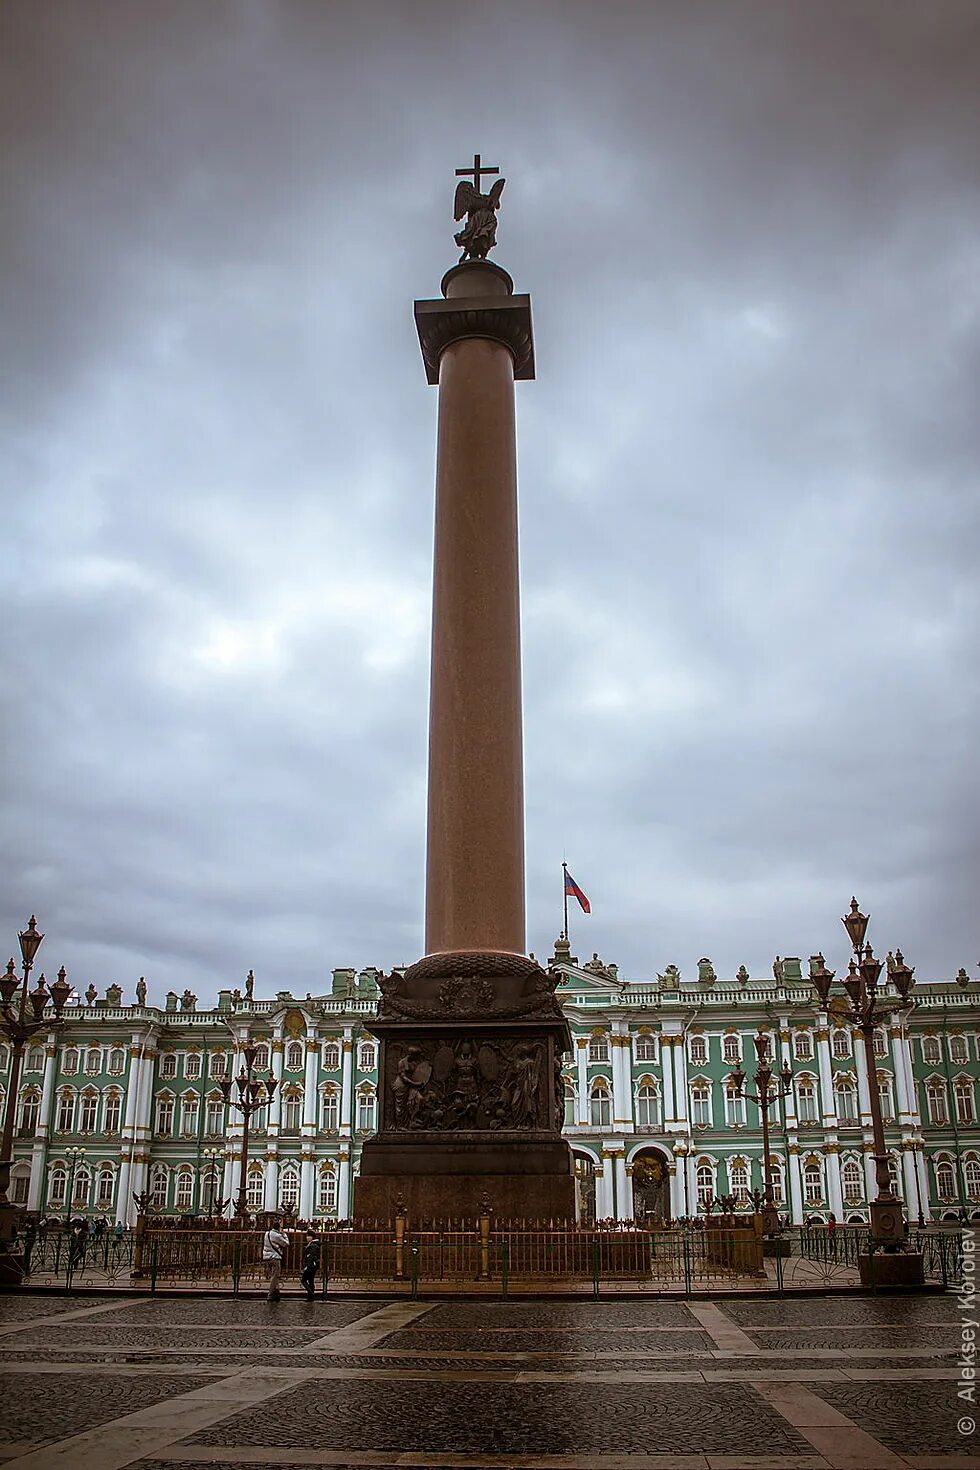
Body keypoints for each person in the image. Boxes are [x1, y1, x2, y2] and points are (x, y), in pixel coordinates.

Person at [262, 1219, 290, 1301]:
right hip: (275, 1257)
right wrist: (284, 1234)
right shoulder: (277, 1236)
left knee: (275, 1275)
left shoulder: (267, 1233)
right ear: (278, 1228)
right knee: (275, 1276)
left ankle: (276, 1294)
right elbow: (286, 1243)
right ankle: (270, 1295)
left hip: (267, 1257)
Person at [301, 1228, 321, 1301]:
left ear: (311, 1237)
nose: (307, 1238)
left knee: (303, 1280)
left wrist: (307, 1266)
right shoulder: (313, 1244)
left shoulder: (313, 1245)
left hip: (311, 1265)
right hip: (313, 1265)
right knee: (311, 1280)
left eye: (308, 1236)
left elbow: (311, 1256)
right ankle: (310, 1297)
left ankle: (311, 1294)